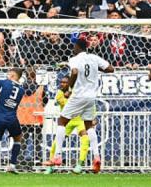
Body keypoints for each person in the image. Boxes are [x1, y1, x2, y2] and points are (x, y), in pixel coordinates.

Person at [48, 36, 113, 174]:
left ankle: (58, 156)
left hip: (78, 95)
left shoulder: (74, 59)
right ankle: (96, 156)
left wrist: (68, 88)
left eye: (74, 46)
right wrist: (95, 70)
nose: (73, 48)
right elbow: (110, 69)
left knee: (61, 121)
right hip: (91, 97)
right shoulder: (95, 58)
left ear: (77, 47)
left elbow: (75, 72)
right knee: (89, 125)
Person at [44, 76, 90, 174]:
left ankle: (79, 165)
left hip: (79, 119)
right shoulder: (59, 93)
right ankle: (51, 167)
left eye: (65, 82)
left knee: (85, 139)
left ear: (70, 84)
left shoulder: (77, 91)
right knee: (56, 143)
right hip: (67, 121)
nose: (62, 84)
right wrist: (68, 96)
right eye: (61, 82)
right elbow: (65, 104)